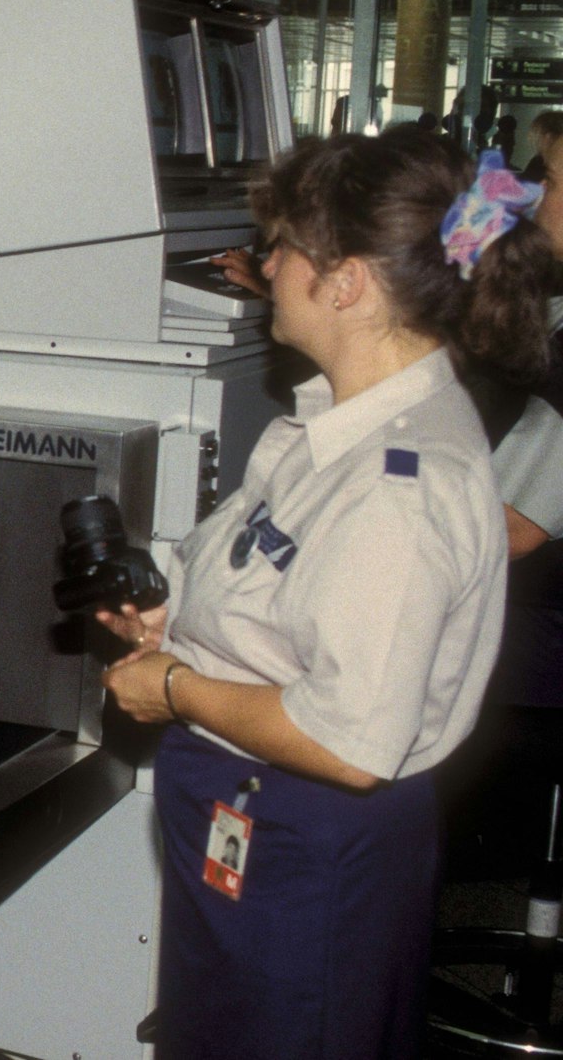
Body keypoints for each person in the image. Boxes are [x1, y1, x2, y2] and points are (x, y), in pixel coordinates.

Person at [98, 129, 553, 1059]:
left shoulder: (401, 485)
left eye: (284, 247)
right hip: (257, 825)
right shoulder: (342, 426)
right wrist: (176, 618)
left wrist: (174, 687)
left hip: (308, 842)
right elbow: (282, 586)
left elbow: (349, 741)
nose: (266, 264)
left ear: (345, 281)